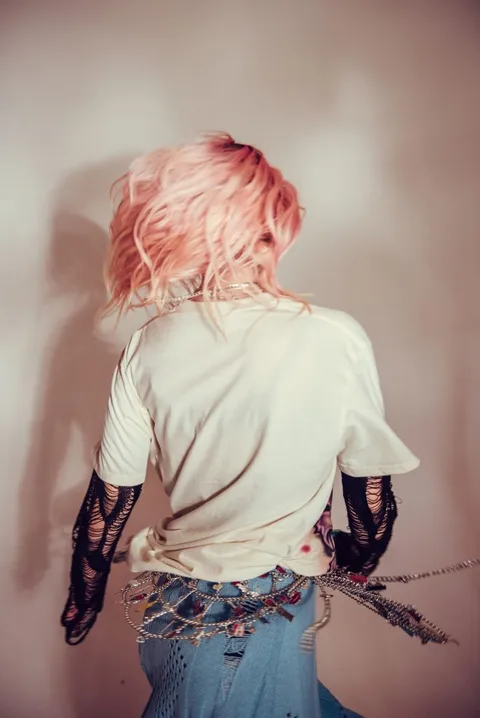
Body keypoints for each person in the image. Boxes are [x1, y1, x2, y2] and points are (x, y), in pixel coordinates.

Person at [61, 132, 420, 718]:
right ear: (269, 231)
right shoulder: (333, 336)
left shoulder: (149, 344)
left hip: (173, 608)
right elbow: (370, 496)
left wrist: (84, 597)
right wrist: (358, 556)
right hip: (264, 608)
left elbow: (109, 503)